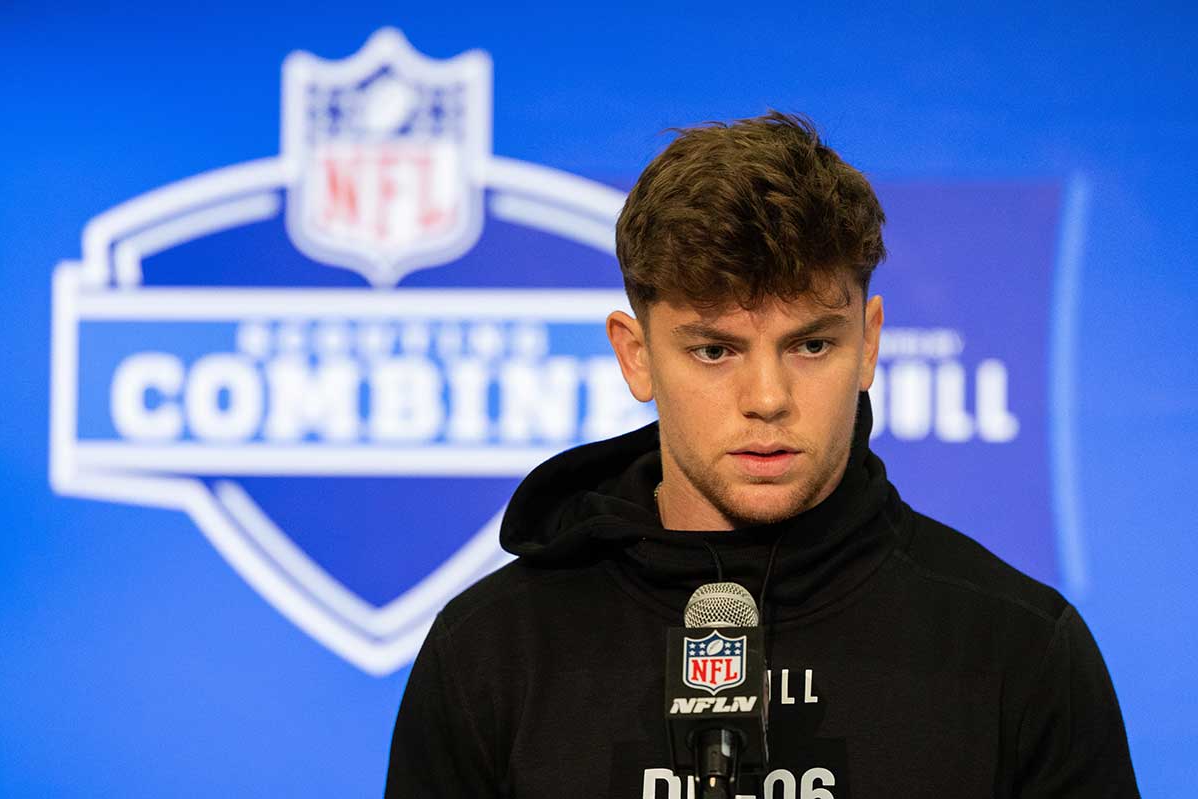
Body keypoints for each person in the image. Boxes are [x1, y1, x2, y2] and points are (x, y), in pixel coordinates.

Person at [384, 112, 1139, 798]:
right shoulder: (491, 653)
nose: (768, 397)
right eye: (715, 350)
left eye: (812, 344)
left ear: (869, 341)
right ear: (635, 353)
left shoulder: (1019, 652)